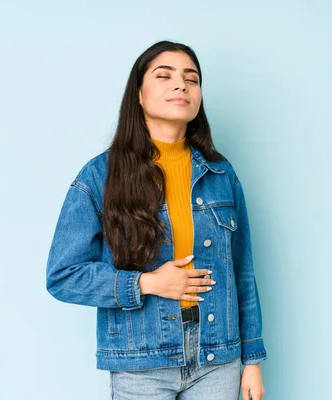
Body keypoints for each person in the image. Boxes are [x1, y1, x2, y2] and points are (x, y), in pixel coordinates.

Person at [45, 40, 267, 399]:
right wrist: (146, 284)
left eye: (191, 79)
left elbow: (242, 271)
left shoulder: (221, 175)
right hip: (141, 361)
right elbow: (62, 276)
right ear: (139, 94)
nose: (181, 85)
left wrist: (252, 360)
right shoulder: (100, 176)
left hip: (218, 357)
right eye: (164, 76)